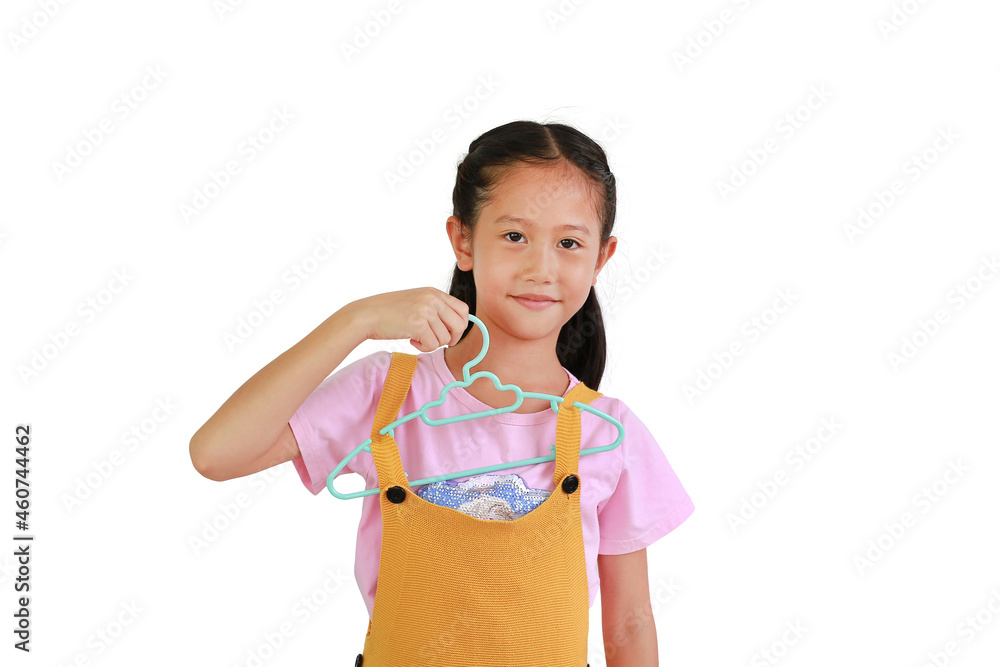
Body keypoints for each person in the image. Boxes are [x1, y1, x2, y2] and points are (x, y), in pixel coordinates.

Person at [190, 119, 695, 666]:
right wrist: (355, 320)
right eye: (515, 236)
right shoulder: (388, 394)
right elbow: (216, 454)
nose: (541, 268)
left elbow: (629, 624)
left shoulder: (609, 432)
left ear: (600, 259)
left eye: (569, 243)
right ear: (463, 241)